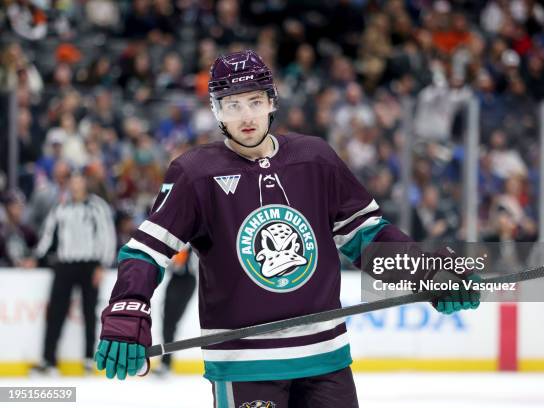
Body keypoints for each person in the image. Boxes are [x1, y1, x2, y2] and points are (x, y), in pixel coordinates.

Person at [95, 50, 480, 407]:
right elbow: (146, 250)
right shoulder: (196, 174)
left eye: (255, 102)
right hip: (246, 366)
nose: (246, 117)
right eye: (233, 105)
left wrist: (429, 273)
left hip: (325, 360)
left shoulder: (316, 159)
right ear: (217, 111)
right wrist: (128, 309)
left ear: (272, 102)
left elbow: (368, 237)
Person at [32, 173, 116, 375]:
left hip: (90, 264)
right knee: (56, 312)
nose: (76, 187)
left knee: (90, 312)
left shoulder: (97, 206)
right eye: (73, 183)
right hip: (65, 264)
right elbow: (48, 234)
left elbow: (107, 235)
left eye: (79, 182)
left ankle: (89, 357)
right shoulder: (61, 206)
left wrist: (102, 265)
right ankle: (48, 359)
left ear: (85, 184)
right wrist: (36, 257)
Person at [152, 245, 198, 376]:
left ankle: (166, 362)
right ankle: (166, 362)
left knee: (170, 323)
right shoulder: (181, 242)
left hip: (185, 282)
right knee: (168, 323)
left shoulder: (190, 242)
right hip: (177, 281)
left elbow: (179, 265)